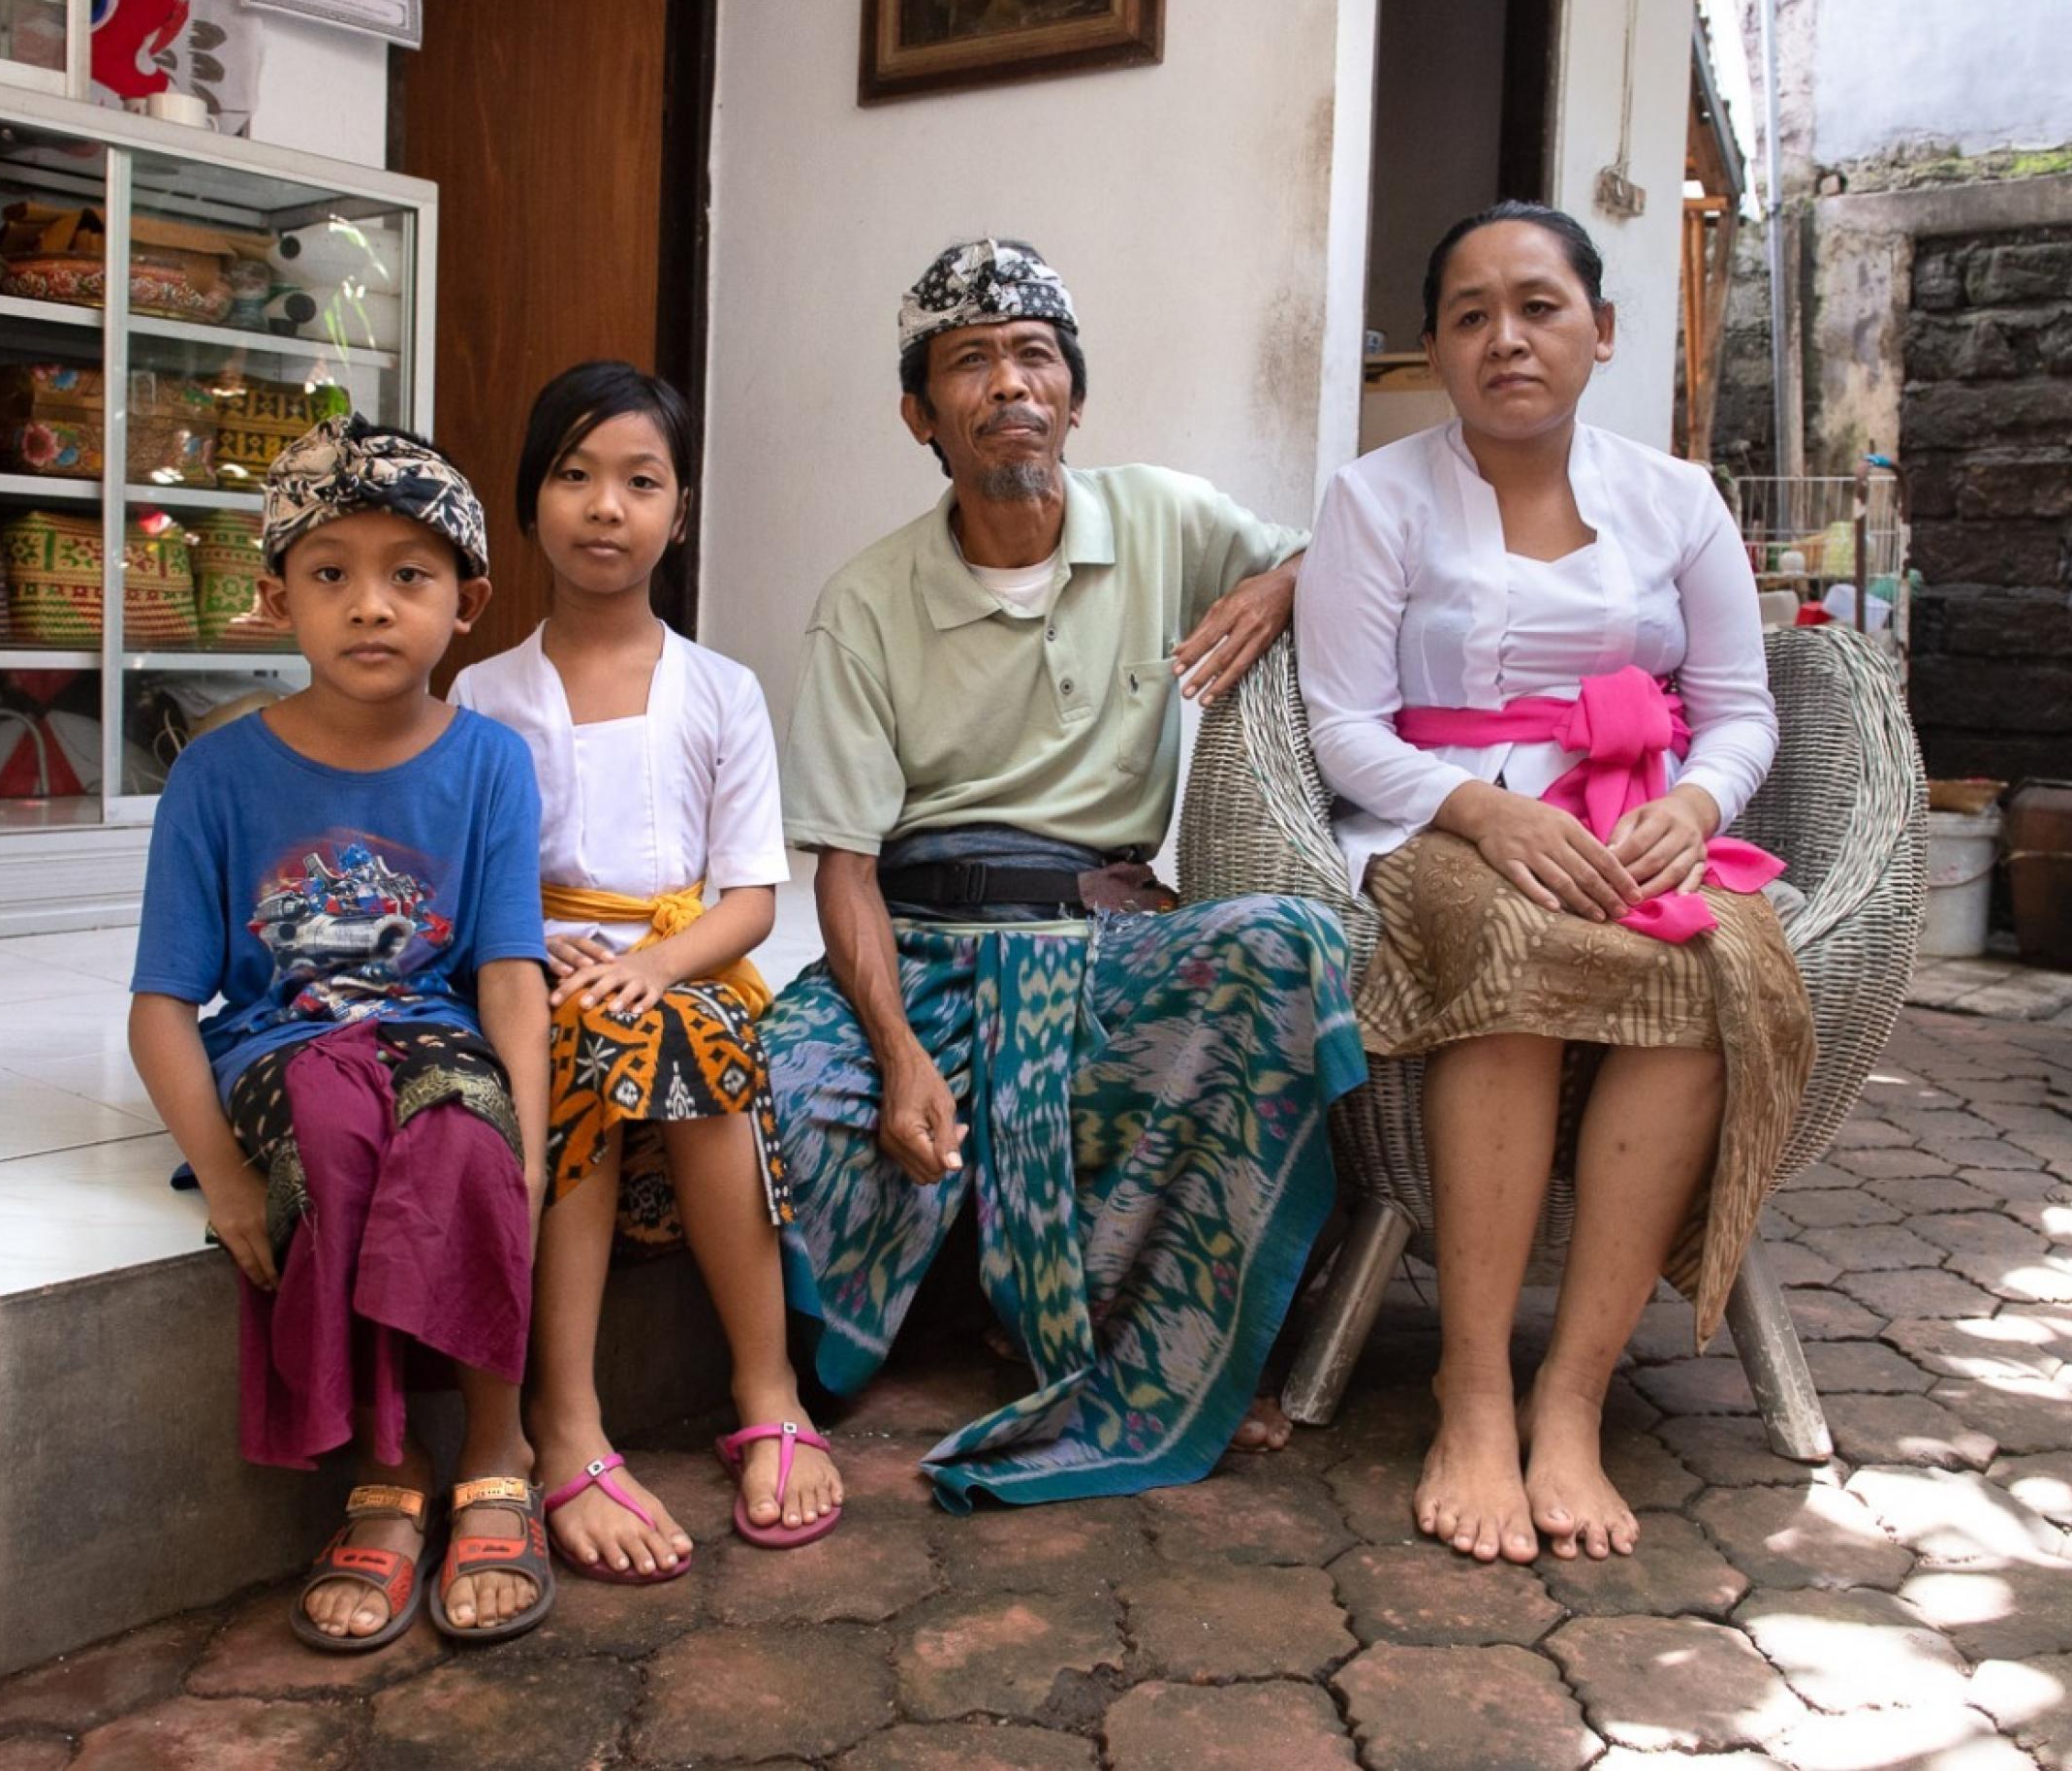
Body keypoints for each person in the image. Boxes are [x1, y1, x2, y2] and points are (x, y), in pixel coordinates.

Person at [766, 237, 1367, 1511]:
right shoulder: (864, 599)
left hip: (1102, 940)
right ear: (919, 414)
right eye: (967, 362)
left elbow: (1360, 560)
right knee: (777, 1071)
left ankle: (1171, 1340)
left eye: (1034, 355)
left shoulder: (1163, 516)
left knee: (1282, 947)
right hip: (920, 945)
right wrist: (898, 1049)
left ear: (1074, 393)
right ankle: (935, 1304)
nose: (1008, 384)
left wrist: (1279, 580)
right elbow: (845, 869)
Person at [1296, 203, 1815, 1566]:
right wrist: (1478, 811)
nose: (1504, 338)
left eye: (1536, 305)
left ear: (1599, 329)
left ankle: (1568, 1397)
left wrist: (1695, 803)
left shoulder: (1676, 498)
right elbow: (1339, 719)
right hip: (1439, 820)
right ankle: (1469, 1388)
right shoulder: (1374, 498)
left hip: (1638, 818)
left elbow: (1738, 709)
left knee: (1716, 968)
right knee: (1512, 959)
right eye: (1468, 315)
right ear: (1431, 349)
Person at [127, 417, 556, 1650]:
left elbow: (510, 971)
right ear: (276, 600)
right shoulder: (218, 776)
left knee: (463, 1139)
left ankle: (496, 1443)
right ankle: (386, 1470)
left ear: (465, 603)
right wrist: (223, 1178)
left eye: (407, 575)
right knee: (329, 1126)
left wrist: (521, 1131)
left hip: (436, 1033)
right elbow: (164, 1003)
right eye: (331, 575)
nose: (370, 607)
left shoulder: (489, 763)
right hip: (280, 1050)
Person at [451, 361, 842, 1582]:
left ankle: (766, 1385)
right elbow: (471, 888)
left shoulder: (721, 691)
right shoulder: (481, 695)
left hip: (688, 972)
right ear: (529, 503)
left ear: (678, 511)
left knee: (666, 1033)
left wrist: (655, 965)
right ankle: (564, 1419)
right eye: (574, 477)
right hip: (542, 981)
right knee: (585, 1040)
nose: (605, 507)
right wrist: (528, 941)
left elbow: (750, 902)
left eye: (639, 480)